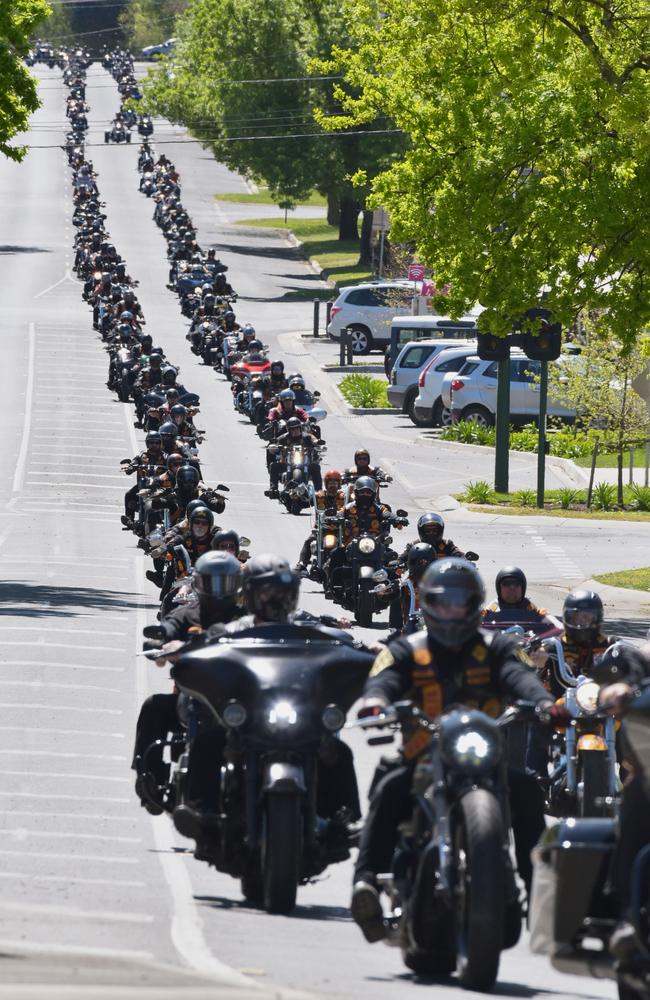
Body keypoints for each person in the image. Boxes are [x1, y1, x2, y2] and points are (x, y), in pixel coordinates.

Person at [350, 558, 563, 943]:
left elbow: (522, 677)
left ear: (473, 605)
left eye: (460, 602)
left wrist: (544, 704)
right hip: (423, 754)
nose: (452, 610)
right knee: (390, 786)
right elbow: (384, 678)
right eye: (443, 601)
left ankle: (537, 894)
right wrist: (376, 701)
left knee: (528, 790)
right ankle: (366, 882)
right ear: (429, 604)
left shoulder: (495, 648)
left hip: (484, 756)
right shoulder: (410, 649)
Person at [173, 555, 361, 847]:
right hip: (250, 716)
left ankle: (344, 818)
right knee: (209, 741)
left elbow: (338, 640)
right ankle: (202, 811)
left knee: (335, 750)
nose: (276, 601)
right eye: (267, 594)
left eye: (283, 594)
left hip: (295, 713)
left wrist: (364, 645)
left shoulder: (304, 626)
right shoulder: (234, 630)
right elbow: (204, 648)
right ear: (249, 595)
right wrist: (185, 650)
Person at [132, 551, 244, 814]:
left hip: (239, 702)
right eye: (211, 583)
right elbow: (169, 626)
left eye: (224, 583)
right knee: (154, 707)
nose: (217, 591)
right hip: (194, 698)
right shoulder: (187, 614)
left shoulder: (246, 618)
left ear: (236, 585)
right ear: (199, 584)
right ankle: (151, 778)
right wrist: (163, 640)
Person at [295, 469, 345, 573]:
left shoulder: (345, 497)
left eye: (335, 483)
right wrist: (300, 495)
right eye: (330, 483)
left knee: (350, 545)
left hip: (340, 529)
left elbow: (355, 505)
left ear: (339, 484)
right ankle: (302, 564)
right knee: (309, 541)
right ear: (326, 484)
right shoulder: (318, 496)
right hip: (321, 528)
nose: (333, 486)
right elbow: (305, 503)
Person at [482, 566, 560, 632]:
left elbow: (548, 619)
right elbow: (476, 621)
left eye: (516, 584)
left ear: (523, 588)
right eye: (507, 583)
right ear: (499, 588)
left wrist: (559, 626)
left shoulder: (530, 608)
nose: (512, 587)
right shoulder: (491, 610)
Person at [399, 511, 468, 563]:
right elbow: (401, 557)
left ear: (440, 530)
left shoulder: (447, 544)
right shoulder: (413, 545)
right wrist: (397, 562)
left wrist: (465, 560)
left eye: (434, 530)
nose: (431, 532)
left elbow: (458, 554)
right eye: (428, 530)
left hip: (441, 579)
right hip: (416, 579)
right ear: (421, 530)